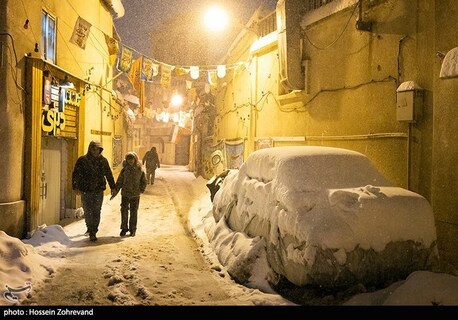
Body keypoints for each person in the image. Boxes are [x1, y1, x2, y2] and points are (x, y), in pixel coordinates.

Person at [72, 140, 117, 242]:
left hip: (98, 190)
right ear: (90, 149)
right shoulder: (82, 160)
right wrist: (75, 187)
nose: (95, 151)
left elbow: (108, 174)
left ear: (100, 150)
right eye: (93, 148)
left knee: (96, 211)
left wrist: (113, 187)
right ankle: (89, 227)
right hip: (86, 190)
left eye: (97, 149)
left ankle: (93, 231)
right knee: (88, 211)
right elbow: (76, 174)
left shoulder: (103, 161)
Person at [114, 151, 147, 237]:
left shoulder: (139, 169)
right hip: (125, 194)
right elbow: (120, 181)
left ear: (135, 159)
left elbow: (144, 181)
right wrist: (116, 189)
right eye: (128, 159)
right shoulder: (124, 170)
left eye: (132, 159)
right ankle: (124, 228)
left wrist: (141, 189)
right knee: (124, 211)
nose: (130, 161)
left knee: (134, 212)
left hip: (135, 194)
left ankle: (133, 229)